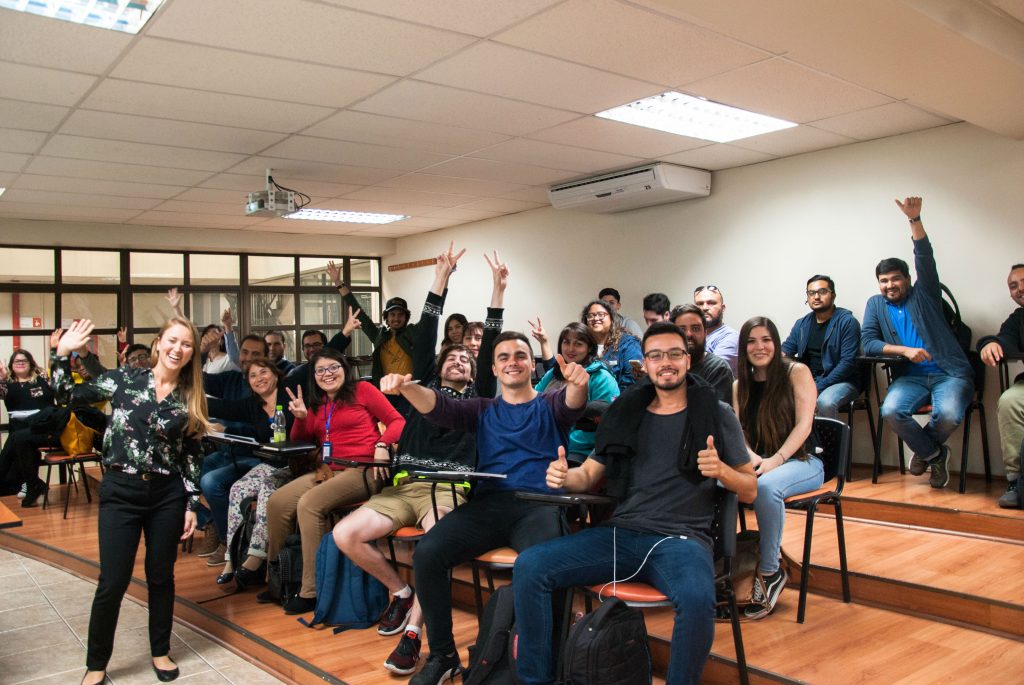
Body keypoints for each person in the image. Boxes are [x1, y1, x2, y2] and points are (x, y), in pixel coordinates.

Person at [513, 321, 757, 685]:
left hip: (682, 539)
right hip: (622, 534)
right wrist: (565, 478)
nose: (666, 362)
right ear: (645, 364)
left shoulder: (716, 413)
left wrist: (721, 470)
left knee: (695, 599)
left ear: (687, 361)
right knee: (531, 566)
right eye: (656, 355)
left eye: (675, 354)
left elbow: (750, 489)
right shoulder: (626, 412)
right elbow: (589, 474)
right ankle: (535, 680)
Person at [379, 332, 589, 685]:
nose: (512, 361)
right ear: (494, 367)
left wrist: (579, 383)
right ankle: (443, 655)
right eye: (504, 356)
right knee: (427, 553)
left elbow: (573, 401)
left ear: (531, 364)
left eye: (520, 355)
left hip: (539, 505)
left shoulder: (549, 404)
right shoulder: (482, 409)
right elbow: (439, 408)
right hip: (490, 504)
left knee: (542, 565)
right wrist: (406, 387)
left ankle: (541, 667)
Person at [54, 318, 208, 685]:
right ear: (158, 343)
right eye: (173, 340)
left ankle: (160, 650)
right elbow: (65, 398)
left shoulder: (191, 396)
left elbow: (191, 452)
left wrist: (191, 502)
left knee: (160, 576)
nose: (178, 349)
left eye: (187, 344)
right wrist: (60, 355)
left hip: (167, 495)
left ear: (192, 353)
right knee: (113, 581)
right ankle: (96, 663)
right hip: (120, 492)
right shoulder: (124, 379)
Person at [264, 348, 405, 614]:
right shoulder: (318, 404)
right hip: (328, 471)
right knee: (278, 502)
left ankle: (312, 591)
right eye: (321, 370)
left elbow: (398, 421)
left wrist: (383, 444)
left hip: (363, 470)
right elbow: (303, 439)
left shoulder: (364, 390)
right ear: (314, 376)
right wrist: (301, 418)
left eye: (333, 368)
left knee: (309, 504)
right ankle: (280, 580)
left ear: (344, 369)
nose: (327, 374)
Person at [862, 197, 973, 489]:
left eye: (895, 279)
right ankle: (936, 454)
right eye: (883, 281)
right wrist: (905, 351)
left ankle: (925, 452)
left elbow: (925, 256)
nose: (889, 286)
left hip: (948, 373)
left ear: (908, 279)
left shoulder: (925, 293)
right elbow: (869, 343)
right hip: (909, 378)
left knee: (948, 414)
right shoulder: (875, 305)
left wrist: (914, 220)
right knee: (890, 411)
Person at [734, 316, 822, 619]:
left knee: (767, 488)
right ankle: (720, 566)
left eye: (766, 339)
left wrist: (775, 460)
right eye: (751, 341)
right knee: (715, 483)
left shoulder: (797, 372)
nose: (759, 347)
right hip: (761, 463)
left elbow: (805, 425)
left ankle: (770, 571)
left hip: (804, 460)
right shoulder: (739, 385)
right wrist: (751, 457)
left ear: (776, 342)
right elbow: (739, 433)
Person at [203, 359, 297, 589]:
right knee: (237, 488)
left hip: (297, 464)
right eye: (253, 376)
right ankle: (231, 559)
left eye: (263, 372)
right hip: (271, 464)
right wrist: (182, 398)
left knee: (267, 487)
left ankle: (256, 554)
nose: (259, 379)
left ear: (275, 374)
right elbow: (218, 408)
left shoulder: (291, 395)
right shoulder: (252, 405)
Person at [530, 319, 620, 462]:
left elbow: (606, 426)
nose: (570, 349)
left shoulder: (601, 378)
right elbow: (532, 404)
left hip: (578, 453)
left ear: (590, 348)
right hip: (541, 446)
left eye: (578, 344)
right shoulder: (553, 374)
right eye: (566, 342)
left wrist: (555, 441)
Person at [781, 275, 862, 419]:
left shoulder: (847, 322)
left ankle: (828, 442)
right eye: (811, 293)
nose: (816, 297)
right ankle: (801, 441)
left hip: (843, 381)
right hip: (810, 380)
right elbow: (786, 350)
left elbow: (847, 363)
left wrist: (817, 387)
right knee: (778, 399)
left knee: (825, 402)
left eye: (822, 292)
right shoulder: (802, 324)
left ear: (833, 295)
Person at [978, 263, 1024, 508]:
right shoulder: (1018, 319)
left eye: (1023, 281)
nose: (1020, 289)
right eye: (1013, 286)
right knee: (1009, 400)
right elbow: (1003, 339)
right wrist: (990, 344)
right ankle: (1017, 480)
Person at [0, 348, 58, 505]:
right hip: (18, 429)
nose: (20, 364)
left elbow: (56, 387)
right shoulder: (7, 383)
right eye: (16, 361)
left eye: (23, 361)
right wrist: (2, 378)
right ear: (11, 365)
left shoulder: (42, 378)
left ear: (31, 363)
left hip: (43, 428)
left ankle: (32, 483)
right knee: (15, 445)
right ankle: (34, 483)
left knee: (10, 450)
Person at [670, 304, 735, 404]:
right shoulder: (665, 366)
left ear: (705, 333)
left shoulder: (717, 369)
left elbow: (712, 414)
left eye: (695, 328)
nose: (689, 334)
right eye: (682, 329)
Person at [582, 299, 643, 392]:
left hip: (619, 402)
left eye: (601, 314)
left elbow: (632, 382)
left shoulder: (628, 344)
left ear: (611, 318)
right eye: (591, 315)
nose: (595, 318)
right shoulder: (582, 346)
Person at [694, 285, 739, 375]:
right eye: (700, 304)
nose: (705, 308)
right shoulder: (690, 336)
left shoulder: (731, 337)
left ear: (723, 308)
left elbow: (714, 370)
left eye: (711, 303)